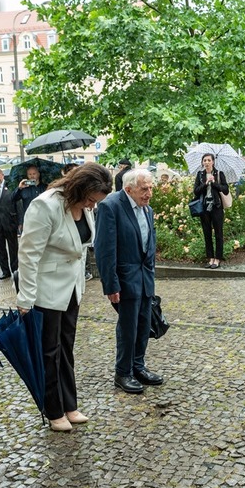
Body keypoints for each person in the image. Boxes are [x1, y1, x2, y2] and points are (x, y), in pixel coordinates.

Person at [16, 163, 112, 432]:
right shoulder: (45, 205)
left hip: (71, 289)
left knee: (66, 347)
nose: (93, 206)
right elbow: (28, 255)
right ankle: (53, 410)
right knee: (49, 352)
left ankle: (69, 404)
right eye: (91, 200)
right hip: (46, 290)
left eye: (96, 202)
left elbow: (81, 247)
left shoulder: (84, 206)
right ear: (79, 189)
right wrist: (26, 297)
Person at [94, 168, 162, 395]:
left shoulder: (147, 208)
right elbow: (105, 250)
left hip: (144, 278)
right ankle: (122, 372)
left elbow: (149, 242)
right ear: (129, 189)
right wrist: (111, 284)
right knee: (128, 328)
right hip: (124, 280)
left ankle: (138, 366)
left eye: (151, 188)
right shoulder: (110, 206)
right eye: (144, 189)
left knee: (143, 325)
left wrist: (151, 272)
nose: (149, 193)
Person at [193, 153, 229, 269]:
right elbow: (196, 191)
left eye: (209, 160)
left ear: (213, 162)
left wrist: (214, 183)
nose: (207, 162)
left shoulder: (219, 173)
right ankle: (210, 258)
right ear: (202, 162)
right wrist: (205, 183)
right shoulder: (200, 175)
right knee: (207, 233)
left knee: (218, 233)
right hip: (204, 207)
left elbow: (226, 190)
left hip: (216, 207)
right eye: (204, 160)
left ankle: (217, 259)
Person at [11, 164, 47, 231]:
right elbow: (13, 199)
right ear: (27, 175)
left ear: (38, 174)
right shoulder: (24, 188)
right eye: (29, 174)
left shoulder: (45, 187)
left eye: (34, 173)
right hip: (29, 220)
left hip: (43, 220)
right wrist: (19, 188)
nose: (32, 176)